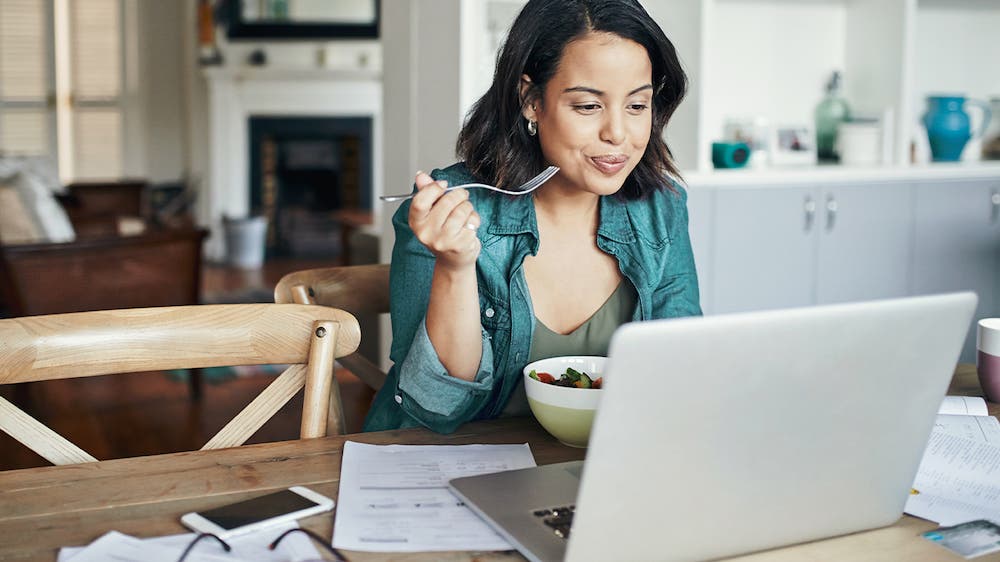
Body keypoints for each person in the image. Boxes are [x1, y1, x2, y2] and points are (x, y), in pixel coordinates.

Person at [363, 0, 701, 433]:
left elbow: (683, 371)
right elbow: (437, 407)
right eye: (588, 107)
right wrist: (455, 266)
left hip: (591, 470)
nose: (618, 133)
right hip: (445, 469)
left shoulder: (661, 208)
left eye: (637, 106)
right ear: (531, 101)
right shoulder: (454, 208)